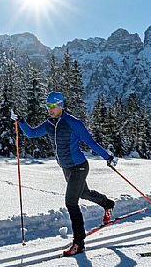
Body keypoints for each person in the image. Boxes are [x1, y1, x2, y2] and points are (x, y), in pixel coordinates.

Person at [11, 91, 117, 256]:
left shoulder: (73, 122)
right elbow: (31, 133)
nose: (50, 109)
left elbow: (90, 142)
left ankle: (79, 243)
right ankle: (108, 204)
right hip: (66, 168)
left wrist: (108, 157)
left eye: (53, 106)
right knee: (84, 193)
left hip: (79, 167)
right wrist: (21, 121)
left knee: (71, 202)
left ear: (60, 105)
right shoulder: (48, 125)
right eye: (48, 106)